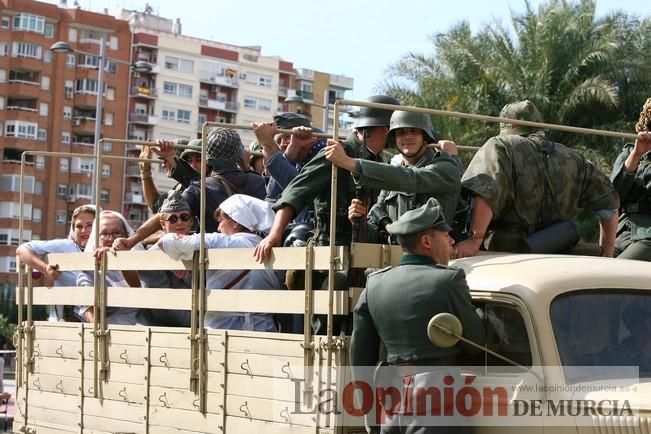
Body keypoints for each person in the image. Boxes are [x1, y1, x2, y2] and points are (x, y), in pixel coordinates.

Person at [350, 198, 485, 433]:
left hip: (391, 404)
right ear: (426, 241)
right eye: (445, 234)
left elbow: (360, 352)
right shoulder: (448, 280)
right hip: (438, 404)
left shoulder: (375, 283)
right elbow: (475, 342)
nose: (452, 240)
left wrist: (369, 410)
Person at [455, 100, 619, 258]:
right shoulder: (574, 158)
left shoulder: (500, 146)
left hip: (508, 252)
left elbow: (486, 191)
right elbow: (608, 204)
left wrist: (475, 239)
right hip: (559, 248)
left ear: (505, 126)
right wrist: (607, 252)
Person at [254, 94, 400, 262]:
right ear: (386, 129)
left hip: (368, 252)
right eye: (398, 131)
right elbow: (295, 192)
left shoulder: (379, 161)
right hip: (331, 254)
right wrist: (274, 235)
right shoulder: (335, 154)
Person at [114, 128, 266, 250]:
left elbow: (166, 214)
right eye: (189, 160)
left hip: (213, 259)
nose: (193, 164)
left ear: (207, 157)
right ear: (240, 153)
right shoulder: (258, 181)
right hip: (256, 256)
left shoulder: (199, 188)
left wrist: (132, 240)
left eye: (198, 159)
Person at [324, 110, 461, 243]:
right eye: (401, 133)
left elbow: (412, 178)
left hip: (432, 257)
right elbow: (375, 234)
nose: (407, 137)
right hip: (394, 257)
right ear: (394, 139)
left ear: (425, 137)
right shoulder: (391, 179)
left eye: (414, 131)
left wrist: (350, 163)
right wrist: (360, 221)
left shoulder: (445, 168)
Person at [158, 194, 283, 331]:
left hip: (223, 331)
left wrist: (179, 256)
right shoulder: (271, 250)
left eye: (221, 221)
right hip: (264, 330)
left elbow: (165, 242)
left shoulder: (221, 242)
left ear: (235, 222)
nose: (218, 228)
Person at [16, 204, 96, 321]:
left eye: (90, 225)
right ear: (73, 230)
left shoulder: (107, 250)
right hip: (65, 323)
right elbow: (22, 250)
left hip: (101, 322)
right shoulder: (66, 246)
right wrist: (44, 269)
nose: (84, 230)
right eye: (79, 226)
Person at [76, 210, 148, 325]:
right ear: (96, 238)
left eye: (116, 233)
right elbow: (90, 313)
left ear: (126, 235)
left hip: (145, 323)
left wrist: (119, 258)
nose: (110, 239)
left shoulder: (143, 261)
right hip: (110, 330)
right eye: (104, 234)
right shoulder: (89, 271)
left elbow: (137, 286)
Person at [138, 191, 194, 327]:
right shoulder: (152, 258)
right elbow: (163, 307)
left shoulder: (202, 248)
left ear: (191, 221)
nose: (180, 222)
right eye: (173, 219)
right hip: (166, 331)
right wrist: (200, 321)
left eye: (184, 217)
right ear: (163, 224)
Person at [610, 97, 651, 260]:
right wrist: (636, 154)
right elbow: (612, 195)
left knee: (613, 276)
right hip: (621, 234)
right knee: (592, 271)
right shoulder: (628, 153)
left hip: (647, 237)